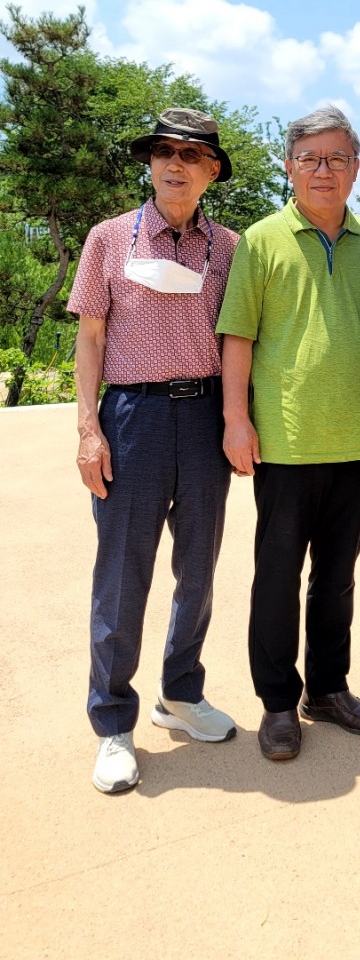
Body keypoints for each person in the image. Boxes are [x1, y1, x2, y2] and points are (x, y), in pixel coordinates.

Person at [68, 108, 240, 794]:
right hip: (132, 415)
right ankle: (113, 722)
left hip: (202, 415)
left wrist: (236, 420)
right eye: (164, 151)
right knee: (121, 572)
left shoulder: (227, 247)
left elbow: (237, 342)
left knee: (197, 566)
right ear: (149, 161)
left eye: (192, 155)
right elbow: (89, 336)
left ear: (212, 171)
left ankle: (181, 693)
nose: (176, 164)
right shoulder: (110, 238)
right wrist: (88, 426)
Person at [218, 106, 360, 763]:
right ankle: (276, 704)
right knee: (277, 575)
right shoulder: (260, 241)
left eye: (337, 158)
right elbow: (237, 337)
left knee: (337, 577)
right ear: (289, 166)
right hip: (285, 442)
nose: (324, 169)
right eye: (311, 158)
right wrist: (237, 418)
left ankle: (329, 689)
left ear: (355, 167)